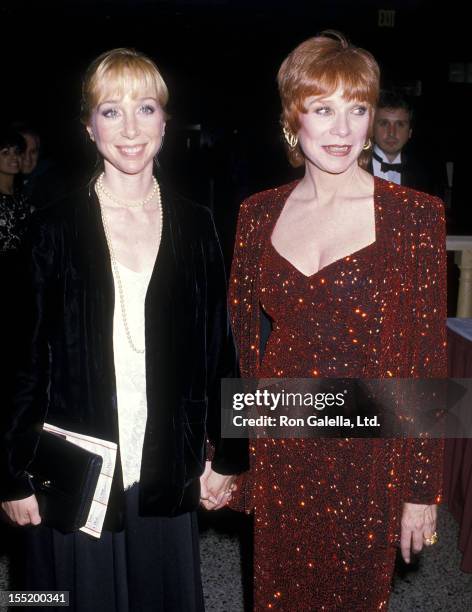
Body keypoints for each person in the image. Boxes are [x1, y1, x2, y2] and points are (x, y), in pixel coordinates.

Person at [0, 48, 247, 611]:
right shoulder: (51, 226)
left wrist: (229, 457)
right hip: (72, 466)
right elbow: (21, 362)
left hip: (167, 460)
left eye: (146, 108)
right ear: (89, 127)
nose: (131, 129)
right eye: (111, 112)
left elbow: (221, 350)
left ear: (166, 120)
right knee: (53, 600)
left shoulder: (199, 222)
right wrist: (9, 474)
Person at [229, 32, 445, 611]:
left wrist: (422, 489)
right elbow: (243, 346)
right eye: (323, 109)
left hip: (367, 451)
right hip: (281, 439)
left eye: (358, 109)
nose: (343, 130)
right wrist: (231, 457)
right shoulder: (257, 214)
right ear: (291, 119)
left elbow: (427, 356)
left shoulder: (415, 217)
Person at [369, 90, 444, 196]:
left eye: (400, 124)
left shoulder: (423, 175)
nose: (392, 133)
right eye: (384, 123)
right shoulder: (355, 168)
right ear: (372, 129)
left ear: (410, 132)